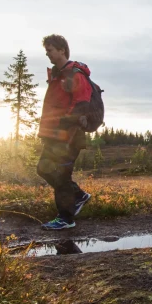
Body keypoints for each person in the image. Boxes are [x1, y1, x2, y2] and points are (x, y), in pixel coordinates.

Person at [36, 34, 93, 230]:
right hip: (53, 135)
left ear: (62, 50)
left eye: (50, 50)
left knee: (61, 175)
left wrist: (63, 126)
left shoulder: (74, 74)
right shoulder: (57, 75)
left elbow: (81, 103)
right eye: (46, 51)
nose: (48, 54)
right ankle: (79, 196)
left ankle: (66, 218)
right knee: (43, 169)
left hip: (68, 136)